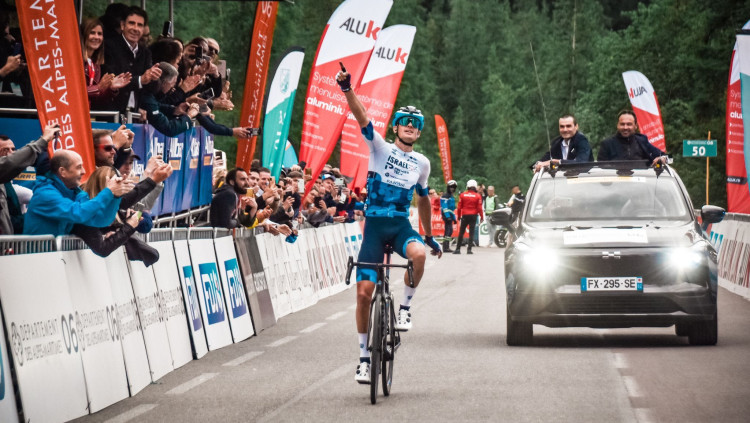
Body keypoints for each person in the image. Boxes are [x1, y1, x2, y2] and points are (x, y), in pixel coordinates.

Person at [336, 67, 442, 384]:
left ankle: (405, 307)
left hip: (400, 228)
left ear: (419, 133)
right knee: (363, 295)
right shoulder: (380, 147)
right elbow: (362, 116)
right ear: (396, 126)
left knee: (419, 256)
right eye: (405, 122)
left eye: (416, 125)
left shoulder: (422, 163)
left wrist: (428, 235)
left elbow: (423, 199)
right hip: (374, 228)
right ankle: (363, 360)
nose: (410, 126)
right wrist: (347, 89)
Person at [24, 150, 134, 236]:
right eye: (79, 167)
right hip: (35, 256)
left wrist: (115, 196)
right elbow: (78, 213)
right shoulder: (45, 194)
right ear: (62, 171)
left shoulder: (76, 192)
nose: (83, 172)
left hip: (53, 255)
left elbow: (100, 220)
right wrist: (108, 192)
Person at [103, 6, 162, 113]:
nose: (135, 28)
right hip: (111, 113)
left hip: (134, 114)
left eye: (140, 25)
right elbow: (112, 79)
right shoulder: (109, 46)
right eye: (131, 23)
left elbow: (152, 89)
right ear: (122, 25)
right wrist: (141, 80)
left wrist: (154, 77)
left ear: (143, 29)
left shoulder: (145, 53)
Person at [0, 126, 58, 234]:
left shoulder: (10, 186)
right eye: (5, 150)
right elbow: (13, 161)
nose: (11, 153)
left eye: (13, 149)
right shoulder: (13, 187)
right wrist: (43, 140)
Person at [81, 17, 132, 110]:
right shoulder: (75, 60)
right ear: (83, 35)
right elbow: (74, 92)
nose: (96, 37)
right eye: (92, 33)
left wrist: (111, 88)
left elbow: (97, 99)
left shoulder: (95, 65)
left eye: (99, 34)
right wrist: (98, 87)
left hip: (87, 114)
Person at [597, 110, 669, 165]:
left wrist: (662, 158)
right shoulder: (607, 144)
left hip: (641, 179)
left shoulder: (642, 141)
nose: (625, 127)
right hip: (615, 180)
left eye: (629, 124)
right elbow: (600, 168)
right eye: (622, 124)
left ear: (635, 126)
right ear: (617, 125)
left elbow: (670, 158)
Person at [453, 179, 483, 255]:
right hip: (473, 215)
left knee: (461, 232)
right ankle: (469, 250)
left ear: (468, 186)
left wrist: (459, 216)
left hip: (465, 215)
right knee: (471, 232)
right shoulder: (478, 196)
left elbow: (459, 207)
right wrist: (482, 217)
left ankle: (458, 249)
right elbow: (479, 208)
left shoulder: (462, 195)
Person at [440, 180, 458, 253]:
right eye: (451, 187)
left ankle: (446, 246)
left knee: (449, 231)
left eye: (453, 187)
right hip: (446, 215)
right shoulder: (445, 196)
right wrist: (447, 216)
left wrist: (454, 218)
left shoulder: (451, 196)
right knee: (448, 231)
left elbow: (452, 209)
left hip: (450, 215)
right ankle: (445, 247)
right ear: (448, 187)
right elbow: (444, 207)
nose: (452, 188)